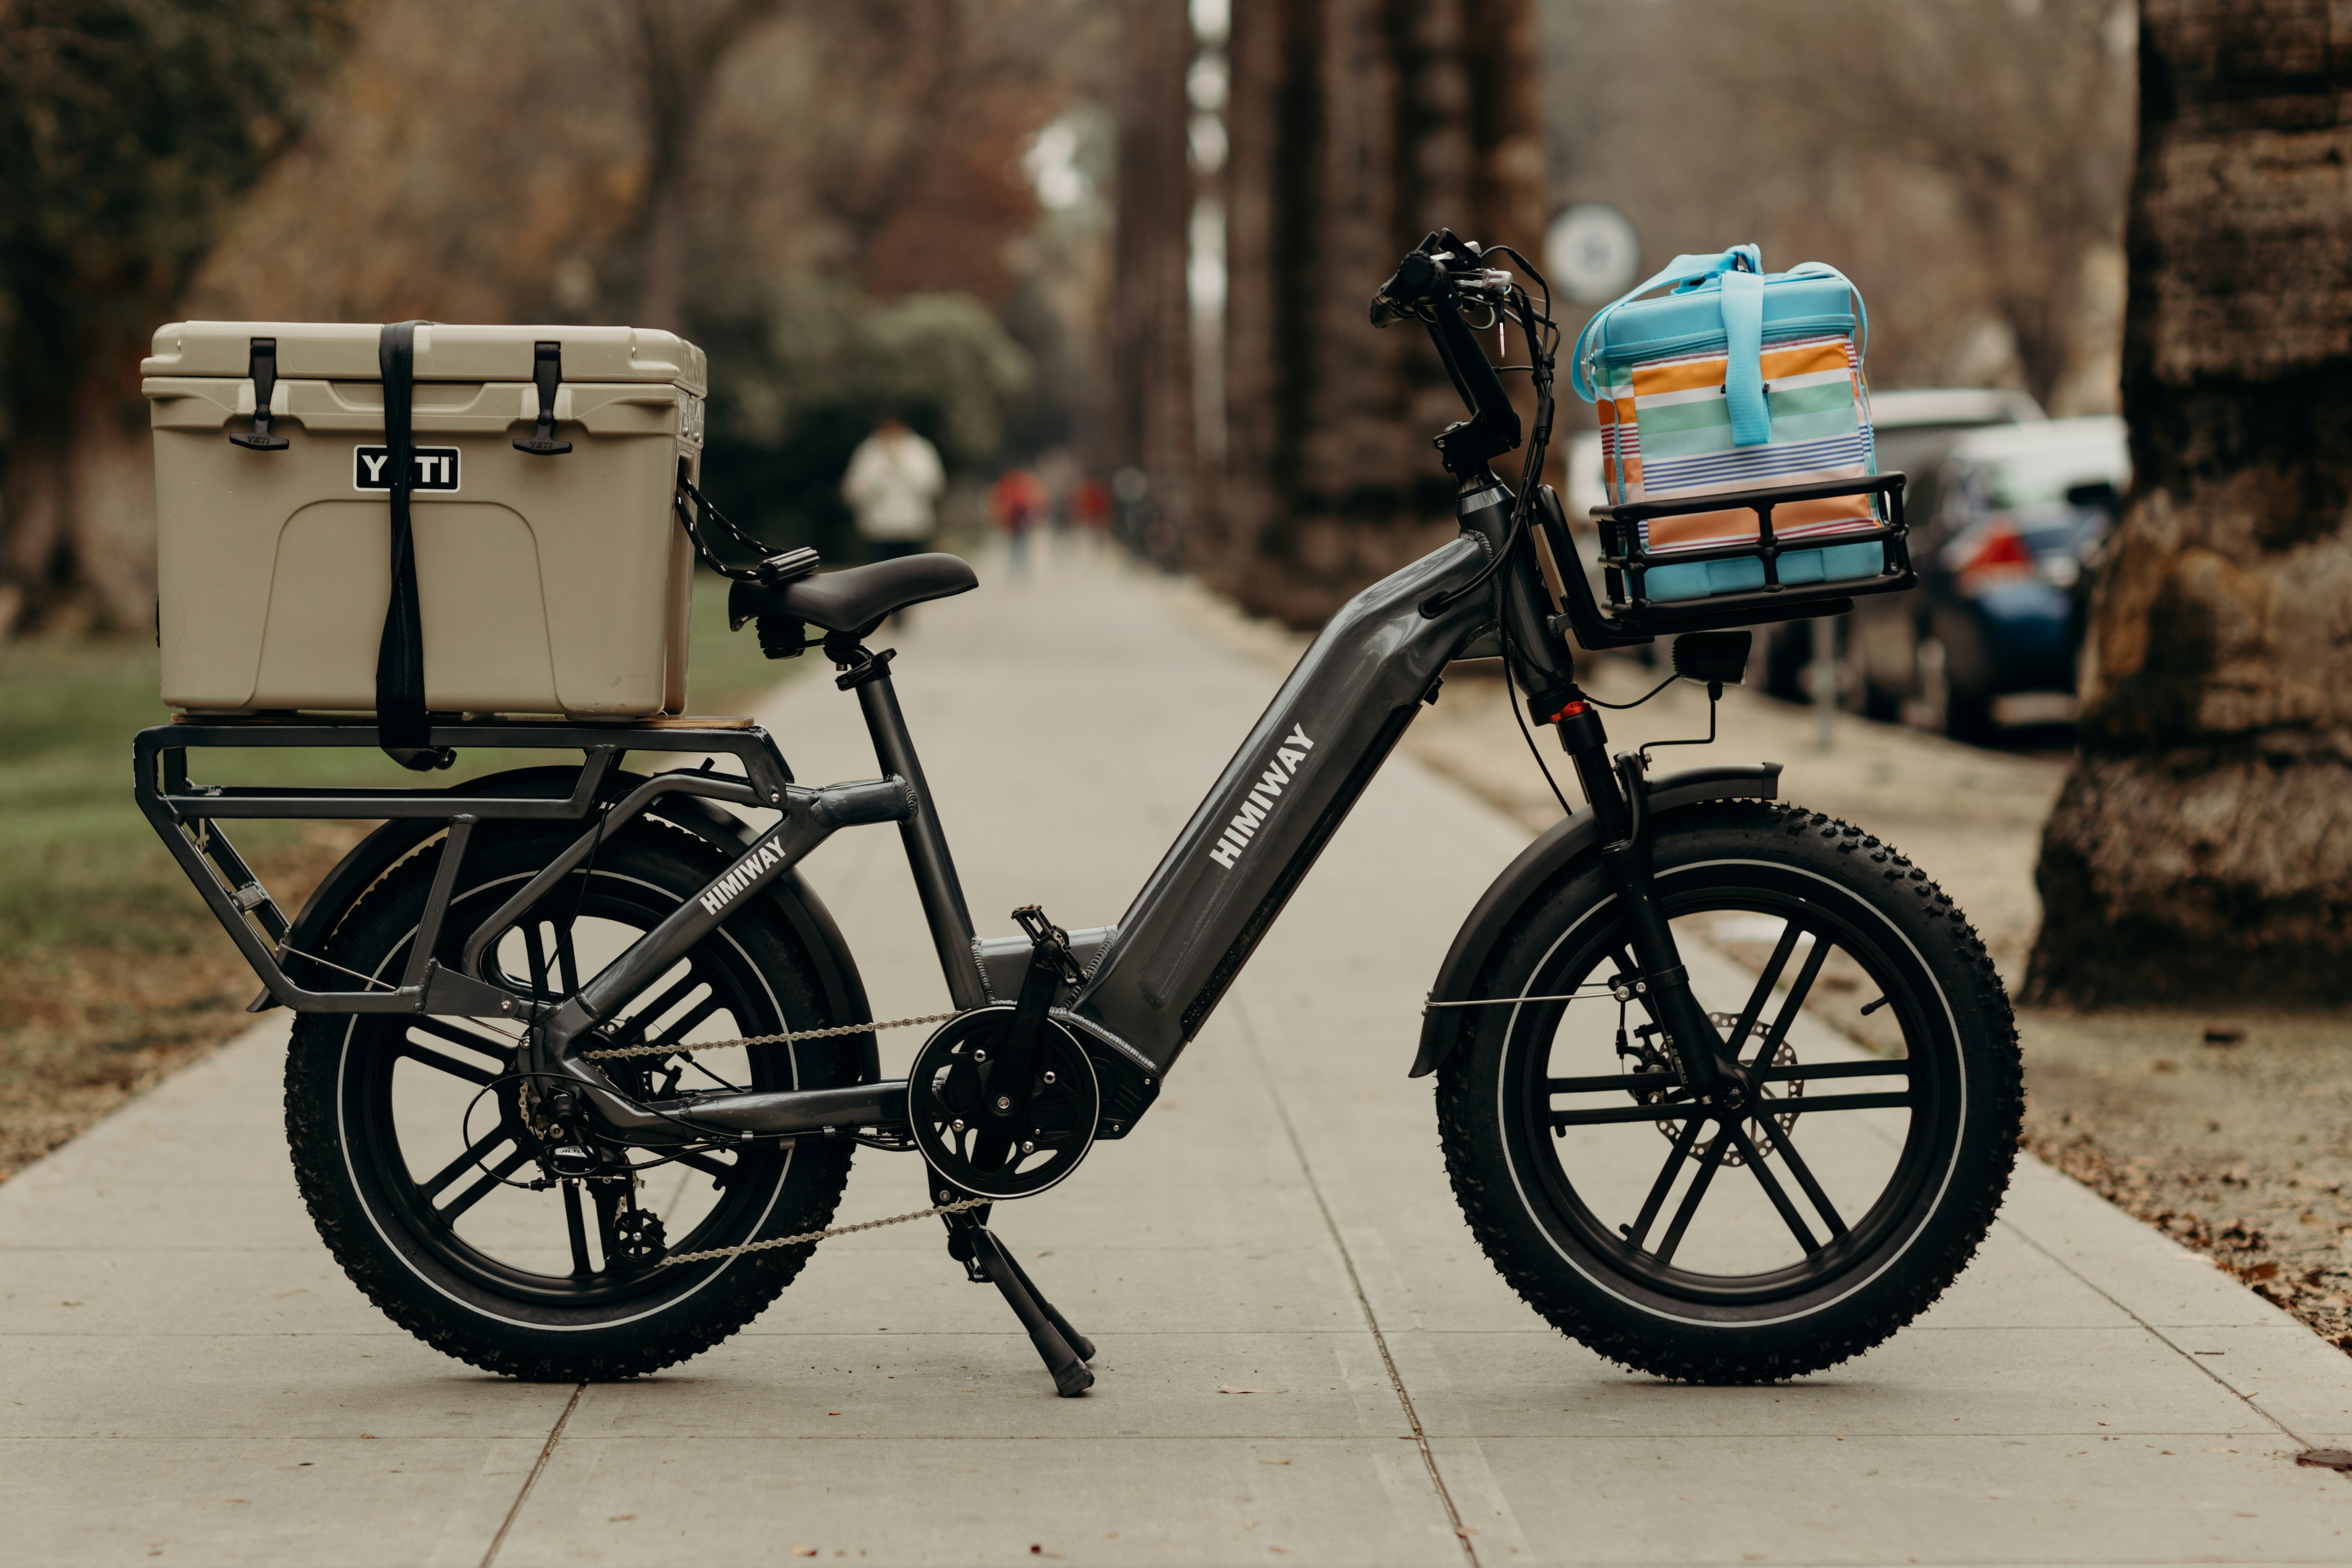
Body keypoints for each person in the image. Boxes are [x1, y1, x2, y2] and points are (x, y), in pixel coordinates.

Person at [840, 417, 945, 564]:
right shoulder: (869, 451)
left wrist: (903, 463)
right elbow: (855, 491)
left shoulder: (920, 449)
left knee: (913, 572)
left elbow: (932, 486)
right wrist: (881, 466)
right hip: (879, 530)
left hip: (913, 528)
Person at [989, 467, 1048, 576]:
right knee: (1017, 546)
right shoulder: (1014, 487)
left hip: (1019, 523)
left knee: (1020, 546)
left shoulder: (1015, 487)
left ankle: (1019, 570)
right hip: (1015, 523)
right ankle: (1018, 570)